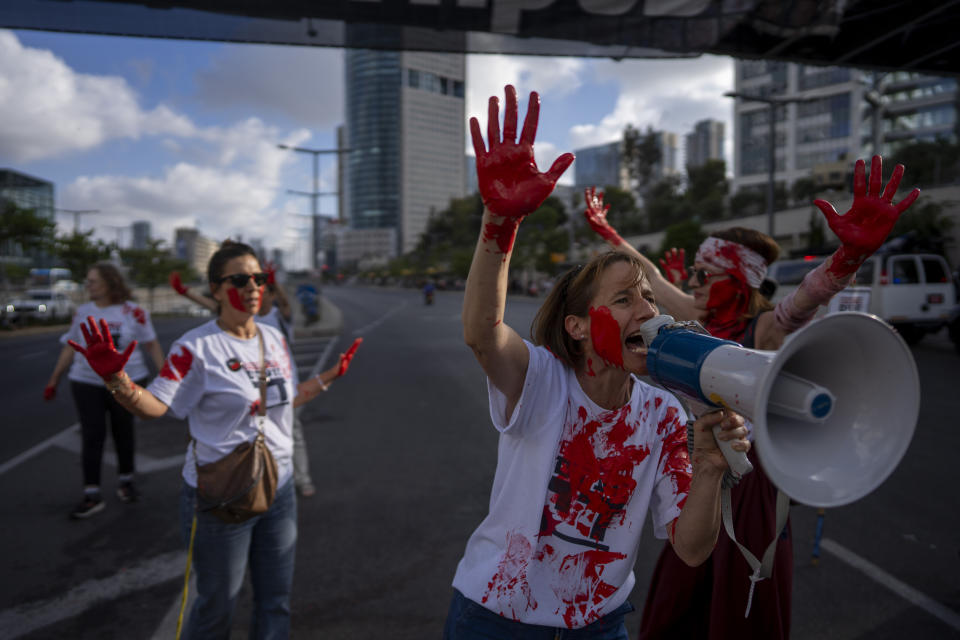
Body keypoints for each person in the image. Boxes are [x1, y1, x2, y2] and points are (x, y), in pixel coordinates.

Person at [445, 84, 751, 639]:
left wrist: (709, 467)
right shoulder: (541, 380)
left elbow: (690, 548)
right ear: (578, 327)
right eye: (624, 299)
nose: (648, 310)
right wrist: (499, 222)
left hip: (600, 626)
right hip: (496, 620)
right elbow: (482, 333)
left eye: (650, 298)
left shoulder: (663, 413)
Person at [582, 156, 920, 639]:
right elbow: (651, 277)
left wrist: (847, 259)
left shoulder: (759, 328)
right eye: (694, 275)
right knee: (684, 594)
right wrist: (610, 233)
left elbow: (800, 305)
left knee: (741, 602)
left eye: (705, 274)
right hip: (699, 472)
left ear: (738, 280)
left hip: (747, 486)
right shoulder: (694, 314)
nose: (694, 285)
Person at [68, 241, 362, 638]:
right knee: (215, 608)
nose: (254, 286)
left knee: (276, 602)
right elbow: (156, 405)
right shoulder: (195, 347)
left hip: (280, 486)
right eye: (240, 279)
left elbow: (286, 400)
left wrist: (328, 377)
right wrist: (116, 380)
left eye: (259, 278)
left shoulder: (273, 337)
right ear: (216, 289)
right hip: (220, 494)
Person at [170, 262, 319, 498]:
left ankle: (301, 479)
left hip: (281, 390)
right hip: (249, 390)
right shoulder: (240, 318)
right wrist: (185, 292)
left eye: (264, 291)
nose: (258, 295)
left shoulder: (278, 317)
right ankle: (256, 482)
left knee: (291, 434)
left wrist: (274, 282)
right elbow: (212, 304)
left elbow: (286, 303)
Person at [43, 262, 165, 519]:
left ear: (110, 283)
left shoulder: (134, 312)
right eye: (87, 281)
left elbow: (152, 345)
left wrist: (166, 378)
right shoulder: (83, 312)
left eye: (93, 281)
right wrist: (54, 379)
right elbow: (70, 347)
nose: (88, 286)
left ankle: (126, 481)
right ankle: (91, 493)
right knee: (92, 435)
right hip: (86, 382)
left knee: (123, 431)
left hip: (127, 382)